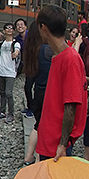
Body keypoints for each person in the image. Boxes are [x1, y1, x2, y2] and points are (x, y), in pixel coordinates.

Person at [36, 5, 87, 161]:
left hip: (56, 146)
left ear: (43, 27)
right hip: (50, 141)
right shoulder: (61, 56)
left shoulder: (69, 59)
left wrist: (63, 145)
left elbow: (71, 105)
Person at [23, 21, 53, 165]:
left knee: (38, 125)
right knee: (44, 127)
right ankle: (38, 158)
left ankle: (30, 156)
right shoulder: (47, 50)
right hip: (48, 93)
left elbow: (28, 84)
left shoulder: (30, 50)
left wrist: (30, 104)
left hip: (38, 92)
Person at [0, 23, 21, 124]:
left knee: (8, 93)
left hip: (10, 72)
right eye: (7, 28)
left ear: (13, 31)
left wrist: (15, 54)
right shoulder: (0, 44)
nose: (9, 30)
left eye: (11, 28)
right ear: (4, 31)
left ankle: (11, 113)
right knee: (2, 93)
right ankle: (2, 111)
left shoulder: (16, 44)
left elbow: (17, 52)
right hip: (1, 71)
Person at [14, 18, 34, 119]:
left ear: (26, 26)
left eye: (21, 24)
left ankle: (33, 108)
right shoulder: (17, 39)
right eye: (18, 25)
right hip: (28, 65)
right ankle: (30, 107)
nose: (20, 26)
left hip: (35, 64)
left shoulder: (31, 37)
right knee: (27, 87)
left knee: (34, 87)